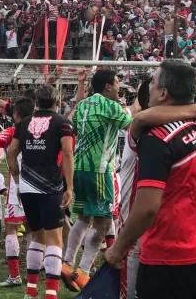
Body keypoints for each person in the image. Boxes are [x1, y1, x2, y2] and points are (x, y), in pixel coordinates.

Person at [105, 59, 196, 298]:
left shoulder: (157, 138)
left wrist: (117, 249)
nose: (149, 87)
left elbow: (148, 208)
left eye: (153, 82)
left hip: (169, 250)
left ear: (162, 93)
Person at [62, 69, 132, 292]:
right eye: (118, 81)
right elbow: (133, 127)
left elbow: (79, 101)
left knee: (83, 218)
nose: (119, 86)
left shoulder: (83, 104)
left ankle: (66, 263)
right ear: (109, 86)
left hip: (79, 168)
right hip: (99, 170)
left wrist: (81, 85)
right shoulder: (111, 107)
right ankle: (83, 272)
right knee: (103, 223)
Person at [7, 85, 75, 299]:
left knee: (36, 236)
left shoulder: (24, 122)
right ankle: (51, 293)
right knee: (54, 239)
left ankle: (30, 291)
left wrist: (18, 182)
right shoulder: (63, 123)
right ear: (57, 101)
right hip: (50, 187)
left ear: (37, 101)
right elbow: (67, 153)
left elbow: (11, 153)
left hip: (27, 186)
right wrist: (70, 187)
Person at [0, 97, 36, 288]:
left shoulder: (12, 131)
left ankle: (14, 275)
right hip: (38, 188)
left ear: (16, 115)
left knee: (11, 228)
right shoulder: (41, 133)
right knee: (32, 229)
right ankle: (33, 273)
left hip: (17, 187)